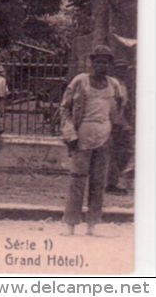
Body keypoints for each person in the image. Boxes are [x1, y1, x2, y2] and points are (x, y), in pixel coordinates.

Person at [60, 45, 127, 236]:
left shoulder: (114, 85)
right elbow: (65, 108)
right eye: (97, 61)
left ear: (109, 65)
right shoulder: (80, 81)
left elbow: (120, 106)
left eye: (105, 62)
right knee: (78, 180)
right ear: (92, 62)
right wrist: (70, 133)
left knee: (98, 182)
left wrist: (113, 126)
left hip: (104, 138)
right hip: (82, 137)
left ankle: (92, 225)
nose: (101, 65)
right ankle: (70, 224)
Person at [105, 59, 134, 195]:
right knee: (115, 153)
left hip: (122, 122)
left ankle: (114, 181)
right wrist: (117, 122)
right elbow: (114, 104)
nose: (122, 71)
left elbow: (125, 105)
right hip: (115, 122)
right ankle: (111, 183)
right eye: (120, 68)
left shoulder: (123, 84)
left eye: (124, 68)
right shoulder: (113, 84)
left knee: (125, 152)